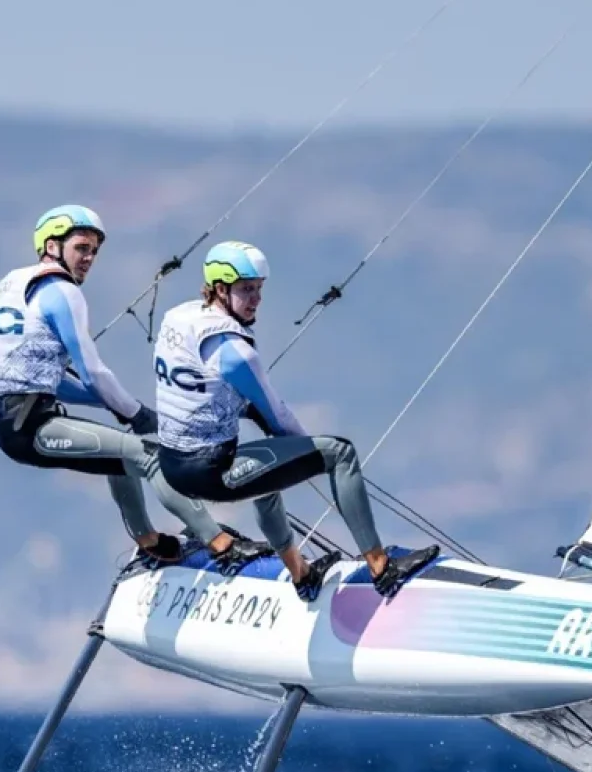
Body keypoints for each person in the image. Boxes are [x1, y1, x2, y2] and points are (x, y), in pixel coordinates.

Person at [154, 239, 439, 602]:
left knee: (265, 471)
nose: (256, 298)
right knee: (339, 452)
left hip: (172, 465)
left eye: (259, 289)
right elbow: (279, 416)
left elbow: (197, 389)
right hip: (213, 474)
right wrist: (307, 455)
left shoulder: (178, 318)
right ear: (220, 289)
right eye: (246, 290)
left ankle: (302, 574)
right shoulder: (236, 353)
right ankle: (382, 567)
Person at [0, 205, 266, 565]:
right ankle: (223, 545)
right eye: (82, 247)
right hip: (29, 426)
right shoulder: (61, 291)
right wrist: (138, 412)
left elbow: (40, 380)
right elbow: (93, 373)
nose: (89, 258)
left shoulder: (12, 284)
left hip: (13, 423)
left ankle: (149, 541)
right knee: (148, 455)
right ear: (52, 246)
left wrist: (115, 406)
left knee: (118, 455)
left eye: (94, 251)